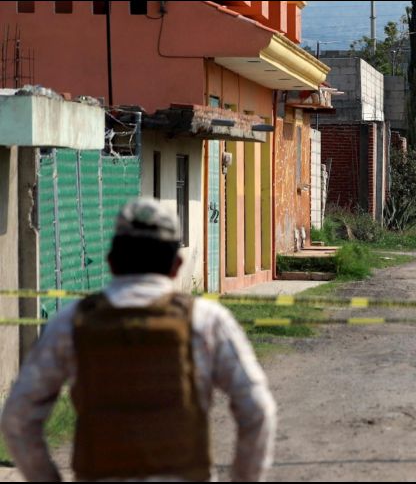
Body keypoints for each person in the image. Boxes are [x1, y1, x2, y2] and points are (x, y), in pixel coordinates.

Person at [1, 198, 277, 482]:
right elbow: (258, 410)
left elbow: (17, 418)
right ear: (176, 265)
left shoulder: (70, 323)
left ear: (112, 261)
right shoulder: (207, 321)